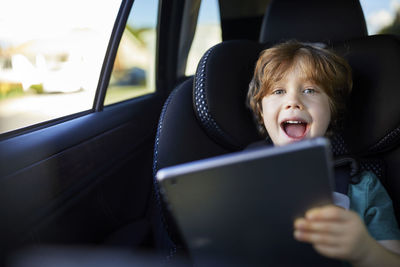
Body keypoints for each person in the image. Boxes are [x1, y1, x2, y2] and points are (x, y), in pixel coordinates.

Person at [247, 40, 400, 266]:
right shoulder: (239, 182)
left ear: (331, 109)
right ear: (261, 109)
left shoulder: (362, 187)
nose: (293, 101)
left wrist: (365, 250)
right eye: (278, 91)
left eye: (309, 90)